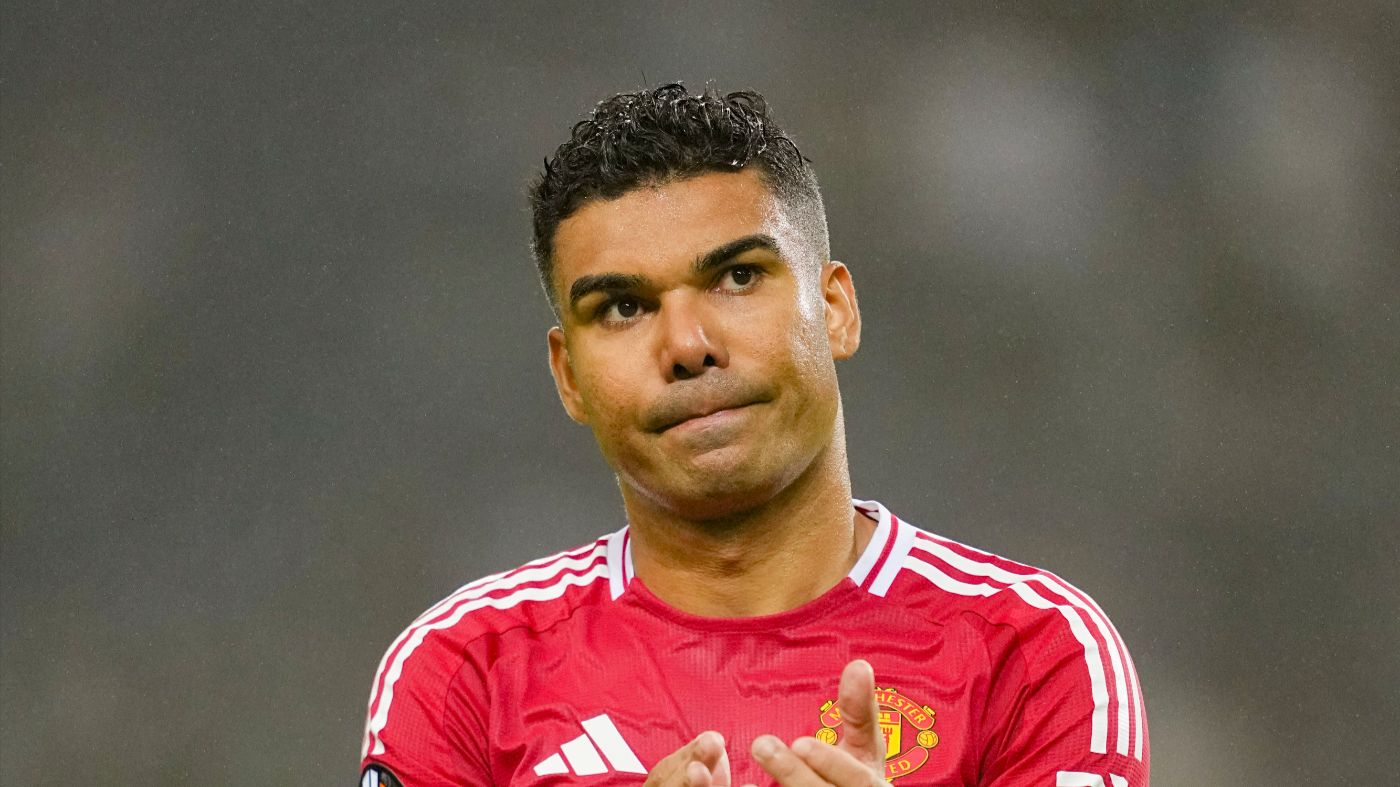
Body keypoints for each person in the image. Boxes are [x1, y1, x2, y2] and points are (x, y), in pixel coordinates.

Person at [359, 84, 1149, 787]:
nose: (687, 344)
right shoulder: (465, 671)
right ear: (569, 375)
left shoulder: (1033, 653)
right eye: (624, 308)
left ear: (835, 309)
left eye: (737, 277)